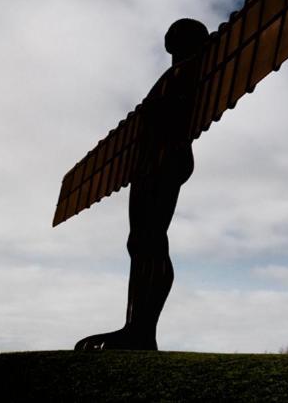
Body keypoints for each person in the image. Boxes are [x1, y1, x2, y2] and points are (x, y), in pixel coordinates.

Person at [75, 18, 208, 351]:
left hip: (165, 160)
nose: (169, 36)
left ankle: (141, 330)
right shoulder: (170, 76)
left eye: (178, 32)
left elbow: (172, 119)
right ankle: (135, 327)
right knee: (141, 242)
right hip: (149, 163)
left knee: (149, 239)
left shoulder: (193, 70)